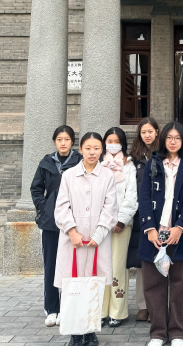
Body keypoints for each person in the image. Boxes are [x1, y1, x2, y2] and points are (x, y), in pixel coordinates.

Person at [137, 122, 183, 346]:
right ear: (163, 139)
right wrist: (150, 229)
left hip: (179, 234)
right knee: (154, 285)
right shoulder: (153, 163)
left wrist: (180, 226)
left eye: (178, 138)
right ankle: (158, 333)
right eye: (169, 137)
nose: (173, 142)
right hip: (155, 234)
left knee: (181, 285)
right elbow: (144, 197)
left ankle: (178, 333)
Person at [54, 132, 119, 346]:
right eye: (88, 148)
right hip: (72, 240)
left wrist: (99, 234)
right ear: (80, 149)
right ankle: (75, 332)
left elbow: (110, 207)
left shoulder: (107, 175)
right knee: (72, 285)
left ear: (102, 150)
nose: (92, 152)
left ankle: (90, 331)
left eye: (97, 148)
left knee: (93, 286)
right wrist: (71, 231)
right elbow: (61, 207)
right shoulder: (69, 175)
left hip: (96, 241)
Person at [30, 125, 83, 328]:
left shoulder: (79, 162)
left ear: (72, 142)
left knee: (71, 265)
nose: (63, 143)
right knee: (51, 265)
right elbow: (36, 188)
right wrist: (44, 207)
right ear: (54, 142)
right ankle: (52, 309)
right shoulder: (46, 162)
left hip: (73, 222)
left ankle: (68, 307)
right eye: (59, 139)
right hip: (50, 222)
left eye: (67, 139)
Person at [100, 127, 138, 327]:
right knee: (100, 267)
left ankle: (117, 311)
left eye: (117, 141)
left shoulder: (129, 165)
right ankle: (100, 310)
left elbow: (131, 195)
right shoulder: (98, 164)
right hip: (99, 225)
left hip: (121, 226)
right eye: (109, 141)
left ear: (123, 143)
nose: (113, 144)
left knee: (117, 267)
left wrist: (121, 220)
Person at [127, 117, 160, 322]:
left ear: (157, 132)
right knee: (142, 261)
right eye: (143, 132)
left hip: (160, 214)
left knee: (160, 259)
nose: (147, 135)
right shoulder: (133, 158)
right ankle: (143, 305)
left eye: (150, 131)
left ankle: (157, 305)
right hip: (140, 214)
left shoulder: (163, 154)